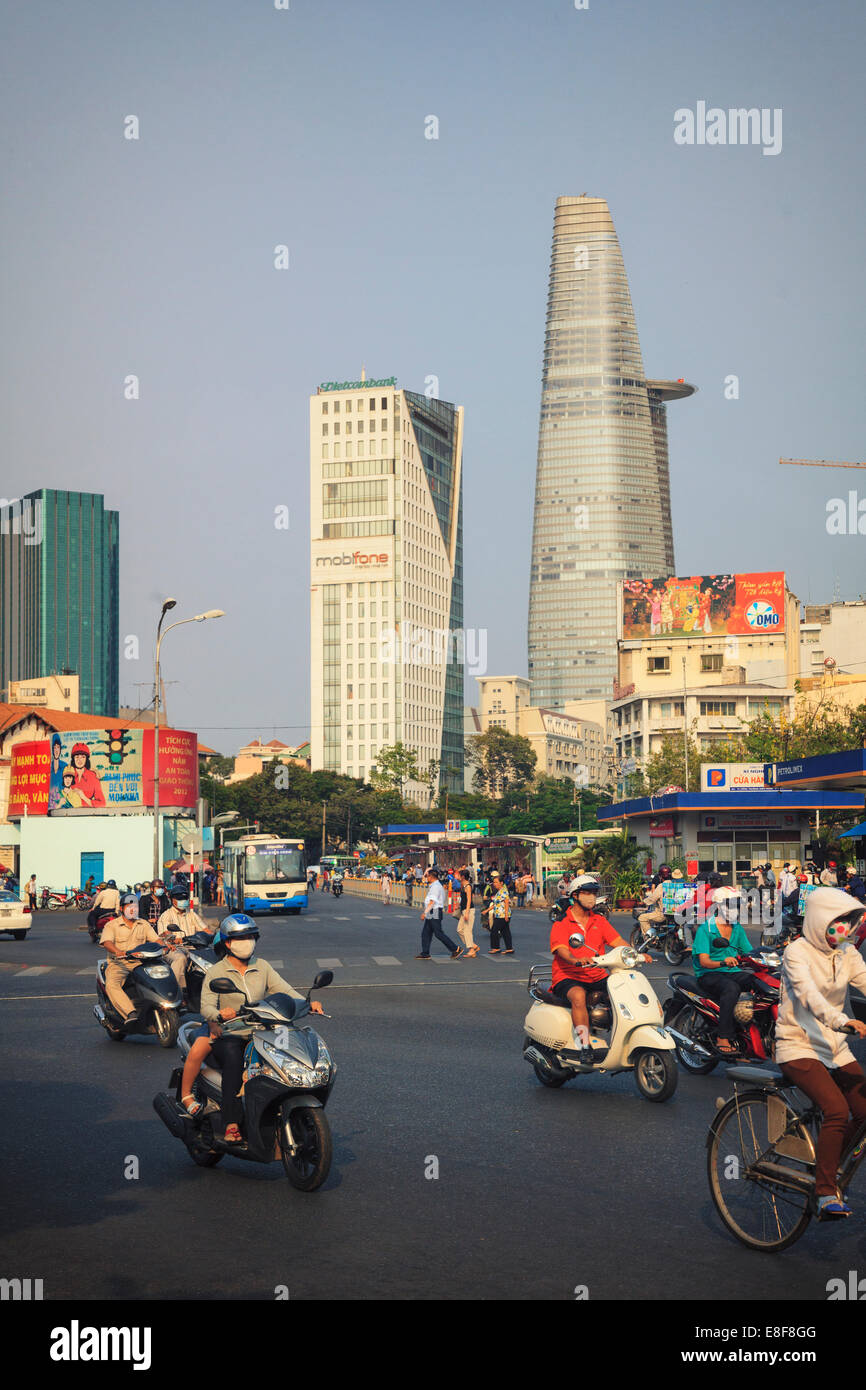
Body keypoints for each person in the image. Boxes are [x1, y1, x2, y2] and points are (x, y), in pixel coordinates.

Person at [775, 887, 866, 1217]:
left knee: (864, 1112)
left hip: (834, 1046)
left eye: (849, 921)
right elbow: (809, 996)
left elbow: (864, 980)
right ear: (819, 920)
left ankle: (827, 1166)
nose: (845, 928)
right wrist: (843, 1021)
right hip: (797, 1045)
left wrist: (841, 1028)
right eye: (838, 921)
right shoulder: (796, 952)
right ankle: (825, 1191)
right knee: (837, 1110)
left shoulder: (845, 952)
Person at [195, 914, 323, 1138]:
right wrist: (218, 1014)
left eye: (250, 937)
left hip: (263, 1031)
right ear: (227, 942)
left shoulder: (262, 966)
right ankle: (231, 1123)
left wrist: (306, 1002)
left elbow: (284, 990)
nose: (247, 942)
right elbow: (205, 1006)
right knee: (234, 1062)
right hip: (232, 1034)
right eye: (241, 937)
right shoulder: (217, 972)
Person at [550, 875, 649, 1061]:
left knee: (624, 991)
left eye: (594, 894)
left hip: (596, 974)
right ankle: (585, 1046)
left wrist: (634, 954)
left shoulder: (599, 921)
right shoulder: (562, 922)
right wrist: (575, 960)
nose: (591, 898)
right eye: (587, 893)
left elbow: (617, 942)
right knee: (578, 996)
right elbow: (561, 949)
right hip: (568, 976)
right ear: (575, 895)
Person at [691, 887, 755, 1057]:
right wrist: (722, 961)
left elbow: (748, 952)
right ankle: (723, 1037)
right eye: (730, 904)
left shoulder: (737, 928)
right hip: (709, 974)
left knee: (758, 981)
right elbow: (704, 962)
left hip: (731, 971)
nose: (735, 908)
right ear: (719, 905)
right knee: (731, 988)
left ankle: (752, 1033)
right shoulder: (706, 929)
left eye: (737, 904)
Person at [100, 893, 166, 1021]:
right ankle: (130, 1013)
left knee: (162, 974)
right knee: (112, 984)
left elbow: (156, 940)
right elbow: (107, 942)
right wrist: (117, 951)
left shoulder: (143, 924)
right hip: (120, 963)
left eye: (135, 906)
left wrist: (165, 946)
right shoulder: (112, 925)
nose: (132, 909)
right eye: (129, 906)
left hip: (141, 962)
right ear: (121, 909)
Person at [416, 868, 463, 961]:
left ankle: (455, 949)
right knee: (426, 933)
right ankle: (425, 953)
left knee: (438, 933)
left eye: (427, 876)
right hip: (432, 911)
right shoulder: (435, 885)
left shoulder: (436, 887)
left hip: (435, 911)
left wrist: (424, 913)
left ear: (431, 876)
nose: (426, 878)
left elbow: (432, 901)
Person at [69, 742, 106, 807]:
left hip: (88, 814)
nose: (79, 760)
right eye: (77, 757)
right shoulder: (67, 774)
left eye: (83, 757)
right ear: (73, 759)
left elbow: (102, 803)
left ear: (86, 759)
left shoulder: (93, 776)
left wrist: (83, 797)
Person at [638, 863, 672, 934]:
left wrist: (643, 902)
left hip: (662, 914)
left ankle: (652, 937)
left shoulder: (661, 886)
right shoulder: (674, 885)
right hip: (672, 915)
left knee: (642, 917)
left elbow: (652, 898)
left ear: (660, 876)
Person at [488, 871, 514, 955]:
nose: (494, 884)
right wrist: (487, 910)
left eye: (496, 882)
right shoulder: (499, 892)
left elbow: (506, 903)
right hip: (500, 915)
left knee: (494, 930)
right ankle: (509, 948)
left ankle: (496, 947)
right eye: (494, 882)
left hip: (502, 916)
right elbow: (497, 903)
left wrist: (506, 915)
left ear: (501, 883)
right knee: (505, 932)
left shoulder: (503, 891)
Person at [456, 868, 478, 957]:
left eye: (459, 875)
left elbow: (469, 900)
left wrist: (467, 913)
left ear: (463, 877)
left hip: (469, 910)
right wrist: (458, 904)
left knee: (467, 931)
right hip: (463, 910)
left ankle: (471, 949)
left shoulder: (468, 886)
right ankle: (473, 946)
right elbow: (462, 898)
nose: (458, 877)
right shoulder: (462, 885)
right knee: (459, 930)